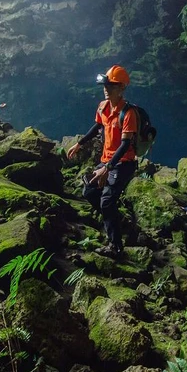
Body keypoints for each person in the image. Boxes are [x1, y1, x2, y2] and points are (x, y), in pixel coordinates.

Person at [66, 65, 138, 257]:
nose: (106, 89)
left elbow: (124, 145)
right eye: (105, 85)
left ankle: (115, 246)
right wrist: (79, 144)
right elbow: (97, 126)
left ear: (122, 88)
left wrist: (107, 168)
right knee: (89, 190)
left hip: (124, 163)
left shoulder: (128, 113)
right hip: (107, 160)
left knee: (106, 201)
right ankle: (117, 220)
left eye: (112, 86)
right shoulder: (103, 107)